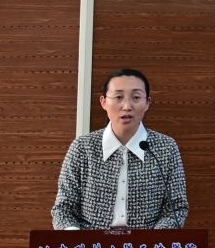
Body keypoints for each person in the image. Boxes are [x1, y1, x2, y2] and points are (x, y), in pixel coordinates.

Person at [52, 67, 188, 230]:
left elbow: (176, 208)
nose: (126, 106)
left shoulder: (166, 148)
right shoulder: (83, 148)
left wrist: (153, 240)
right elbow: (63, 209)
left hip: (146, 244)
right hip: (91, 243)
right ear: (103, 102)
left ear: (147, 103)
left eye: (136, 97)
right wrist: (77, 239)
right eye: (118, 97)